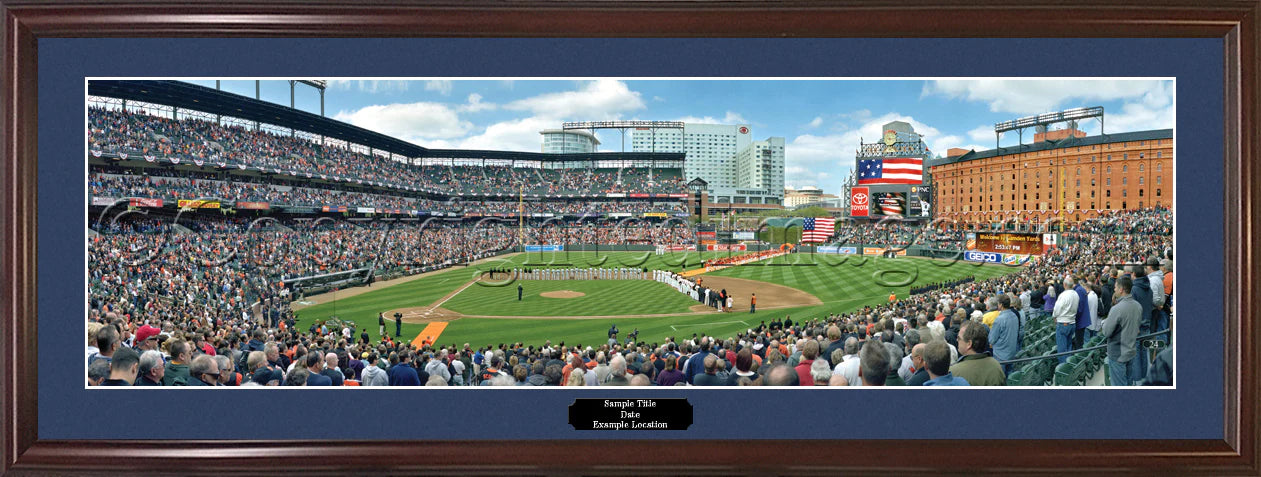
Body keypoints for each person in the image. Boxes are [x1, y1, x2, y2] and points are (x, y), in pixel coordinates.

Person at [1101, 276, 1141, 386]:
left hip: (1118, 354)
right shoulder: (1138, 306)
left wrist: (1104, 323)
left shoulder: (1116, 309)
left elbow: (1106, 332)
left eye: (1115, 287)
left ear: (1121, 289)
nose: (1114, 289)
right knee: (1128, 383)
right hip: (1131, 351)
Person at [950, 321, 1006, 386]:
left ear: (969, 344)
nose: (957, 340)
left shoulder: (953, 372)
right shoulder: (996, 366)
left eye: (959, 338)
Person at [988, 294, 1020, 375]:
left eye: (998, 303)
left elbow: (991, 339)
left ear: (1001, 305)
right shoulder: (1014, 315)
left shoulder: (1000, 319)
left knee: (1002, 378)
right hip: (1011, 352)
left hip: (1001, 355)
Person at [1052, 277, 1080, 364]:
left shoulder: (1064, 295)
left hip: (1064, 323)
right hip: (1072, 322)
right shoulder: (1075, 294)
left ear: (1064, 285)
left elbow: (1057, 309)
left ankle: (1063, 369)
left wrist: (1054, 317)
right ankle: (1068, 365)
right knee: (1068, 346)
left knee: (1062, 349)